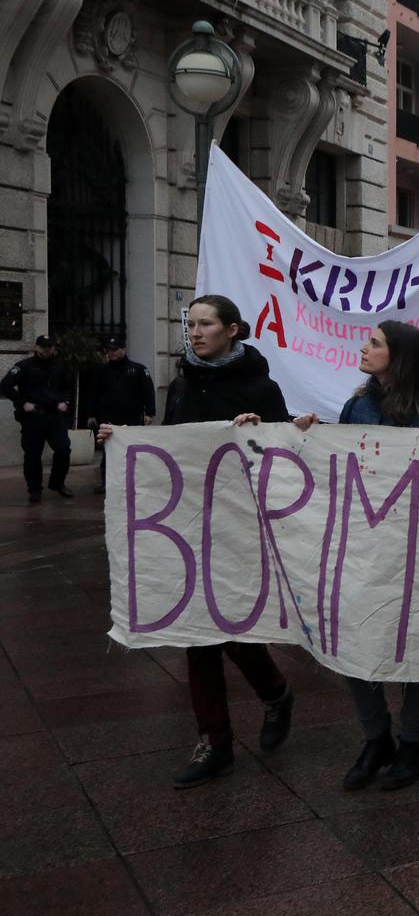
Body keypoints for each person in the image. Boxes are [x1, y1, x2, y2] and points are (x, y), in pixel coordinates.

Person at [96, 296, 294, 787]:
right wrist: (122, 442)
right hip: (189, 525)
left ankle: (274, 692)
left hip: (240, 527)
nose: (196, 332)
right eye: (192, 324)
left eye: (206, 324)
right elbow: (172, 446)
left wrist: (260, 433)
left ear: (231, 329)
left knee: (232, 628)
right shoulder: (182, 383)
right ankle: (215, 741)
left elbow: (286, 452)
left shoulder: (261, 387)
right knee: (196, 635)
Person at [291, 321, 419, 790]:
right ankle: (376, 738)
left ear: (401, 354)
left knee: (417, 649)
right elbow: (343, 464)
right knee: (354, 641)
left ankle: (411, 745)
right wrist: (307, 436)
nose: (363, 348)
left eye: (374, 343)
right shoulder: (356, 406)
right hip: (365, 545)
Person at [3, 334, 74, 503]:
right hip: (33, 417)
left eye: (49, 346)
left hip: (54, 416)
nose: (46, 349)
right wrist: (22, 403)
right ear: (36, 347)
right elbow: (5, 386)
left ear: (54, 348)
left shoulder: (61, 365)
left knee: (64, 449)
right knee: (33, 455)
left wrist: (66, 401)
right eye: (43, 346)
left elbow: (69, 387)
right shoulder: (24, 366)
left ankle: (57, 483)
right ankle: (34, 490)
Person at [85, 333, 156, 495]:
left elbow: (148, 392)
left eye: (115, 349)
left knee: (133, 451)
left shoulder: (137, 369)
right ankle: (106, 482)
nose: (112, 353)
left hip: (131, 417)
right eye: (109, 350)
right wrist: (91, 414)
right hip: (108, 417)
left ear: (124, 349)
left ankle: (134, 481)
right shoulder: (102, 371)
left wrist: (149, 413)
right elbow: (93, 394)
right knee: (108, 451)